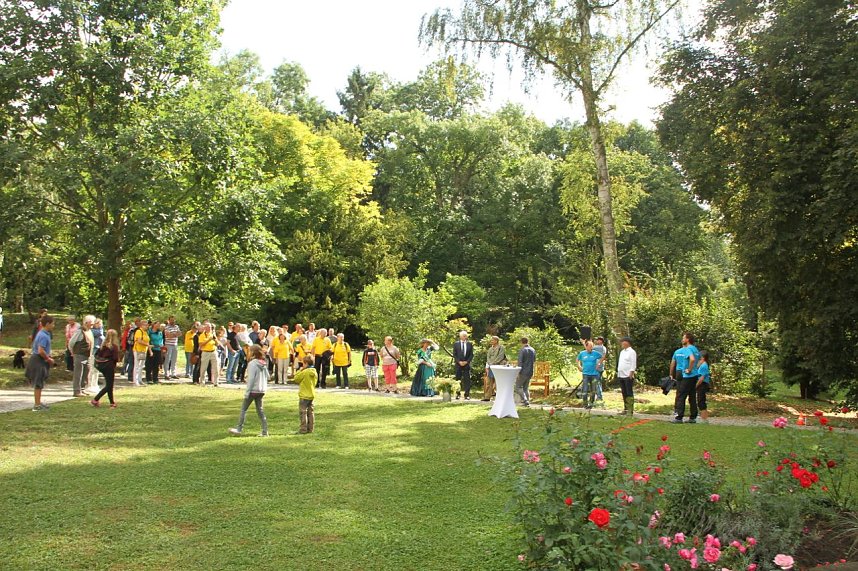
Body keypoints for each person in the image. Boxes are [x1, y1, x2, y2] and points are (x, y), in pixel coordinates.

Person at [228, 344, 269, 437]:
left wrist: (247, 392)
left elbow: (251, 379)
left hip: (253, 390)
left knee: (243, 409)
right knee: (260, 411)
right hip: (261, 390)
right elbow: (268, 376)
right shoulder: (263, 363)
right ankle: (265, 431)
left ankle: (239, 429)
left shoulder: (252, 364)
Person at [26, 315, 56, 411]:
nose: (53, 325)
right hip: (38, 360)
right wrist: (48, 359)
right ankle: (37, 405)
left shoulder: (44, 333)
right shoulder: (43, 335)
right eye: (52, 323)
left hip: (39, 359)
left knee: (40, 382)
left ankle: (38, 402)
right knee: (38, 383)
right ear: (47, 324)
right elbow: (40, 350)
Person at [673, 332, 701, 424]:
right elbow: (698, 360)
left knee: (681, 395)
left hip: (687, 376)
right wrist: (695, 369)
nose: (682, 339)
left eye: (683, 338)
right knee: (692, 396)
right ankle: (693, 417)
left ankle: (679, 417)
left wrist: (689, 369)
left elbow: (692, 359)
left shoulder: (687, 349)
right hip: (694, 376)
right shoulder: (695, 349)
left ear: (687, 340)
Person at [91, 329, 121, 408]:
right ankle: (96, 399)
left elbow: (97, 354)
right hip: (109, 366)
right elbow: (115, 358)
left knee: (109, 384)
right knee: (109, 385)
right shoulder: (114, 347)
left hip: (101, 366)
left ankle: (112, 402)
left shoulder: (103, 345)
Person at [68, 315, 95, 397]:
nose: (92, 325)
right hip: (79, 355)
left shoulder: (89, 331)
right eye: (92, 323)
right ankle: (76, 391)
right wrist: (72, 352)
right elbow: (71, 343)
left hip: (87, 355)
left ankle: (82, 389)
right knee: (78, 373)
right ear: (87, 323)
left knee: (85, 372)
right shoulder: (79, 331)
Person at [576, 341, 602, 409]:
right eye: (590, 346)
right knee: (585, 389)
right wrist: (579, 366)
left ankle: (591, 404)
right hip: (585, 374)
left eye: (592, 346)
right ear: (586, 347)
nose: (591, 348)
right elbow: (577, 359)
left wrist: (599, 363)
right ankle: (585, 404)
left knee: (593, 390)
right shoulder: (582, 353)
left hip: (594, 374)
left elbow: (603, 357)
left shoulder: (595, 353)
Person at [295, 355, 317, 434]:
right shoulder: (314, 371)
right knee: (310, 412)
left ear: (306, 363)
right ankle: (311, 428)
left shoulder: (305, 372)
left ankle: (303, 429)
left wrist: (299, 371)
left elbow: (296, 379)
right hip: (311, 394)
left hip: (304, 395)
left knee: (303, 412)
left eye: (303, 364)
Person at [483, 336, 508, 401]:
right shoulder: (490, 349)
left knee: (498, 382)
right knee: (489, 382)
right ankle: (487, 397)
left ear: (496, 341)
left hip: (498, 367)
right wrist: (490, 363)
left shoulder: (501, 348)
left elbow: (500, 357)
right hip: (491, 367)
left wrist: (494, 362)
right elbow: (488, 357)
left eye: (492, 340)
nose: (491, 341)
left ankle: (499, 398)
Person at [453, 330, 475, 400]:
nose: (465, 337)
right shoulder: (456, 344)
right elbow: (454, 354)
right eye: (463, 336)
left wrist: (467, 362)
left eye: (466, 336)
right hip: (458, 364)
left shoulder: (469, 344)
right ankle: (458, 394)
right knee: (458, 379)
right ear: (460, 336)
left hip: (466, 364)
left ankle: (467, 395)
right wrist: (459, 361)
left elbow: (471, 355)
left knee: (467, 380)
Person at [515, 337, 537, 407]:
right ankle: (527, 402)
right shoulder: (533, 350)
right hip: (530, 371)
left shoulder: (522, 350)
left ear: (521, 342)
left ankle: (525, 400)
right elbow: (534, 361)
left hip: (523, 371)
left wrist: (518, 372)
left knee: (517, 387)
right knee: (526, 388)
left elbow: (520, 362)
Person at [198, 322, 220, 387]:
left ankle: (216, 382)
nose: (210, 328)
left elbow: (217, 344)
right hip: (205, 352)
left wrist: (215, 339)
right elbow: (201, 345)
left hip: (213, 351)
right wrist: (208, 340)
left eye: (210, 327)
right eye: (208, 327)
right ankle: (202, 382)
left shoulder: (213, 334)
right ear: (205, 328)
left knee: (216, 367)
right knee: (203, 368)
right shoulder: (202, 335)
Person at [132, 319, 151, 387]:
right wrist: (147, 345)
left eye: (147, 325)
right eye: (145, 325)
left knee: (141, 366)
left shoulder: (145, 332)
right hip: (138, 350)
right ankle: (135, 380)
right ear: (142, 325)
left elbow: (147, 341)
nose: (147, 326)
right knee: (137, 365)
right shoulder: (138, 331)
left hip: (144, 350)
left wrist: (149, 350)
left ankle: (140, 380)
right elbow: (139, 341)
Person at [145, 320, 164, 384]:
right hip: (151, 349)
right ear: (154, 325)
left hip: (158, 349)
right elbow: (148, 340)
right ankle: (148, 379)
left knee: (156, 364)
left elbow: (161, 339)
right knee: (149, 364)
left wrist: (161, 345)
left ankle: (155, 378)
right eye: (157, 324)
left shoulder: (160, 332)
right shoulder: (149, 332)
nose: (159, 326)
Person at [696, 351, 712, 423]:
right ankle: (703, 417)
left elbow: (701, 378)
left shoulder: (704, 366)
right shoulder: (701, 365)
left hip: (702, 384)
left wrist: (695, 386)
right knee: (700, 400)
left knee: (701, 401)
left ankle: (704, 419)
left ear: (702, 357)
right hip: (701, 384)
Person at [592, 336, 607, 404]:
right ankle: (598, 396)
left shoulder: (600, 347)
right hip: (600, 367)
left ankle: (599, 397)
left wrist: (585, 342)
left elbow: (590, 348)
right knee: (598, 382)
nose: (596, 341)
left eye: (598, 340)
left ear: (601, 341)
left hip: (597, 367)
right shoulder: (603, 348)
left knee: (597, 382)